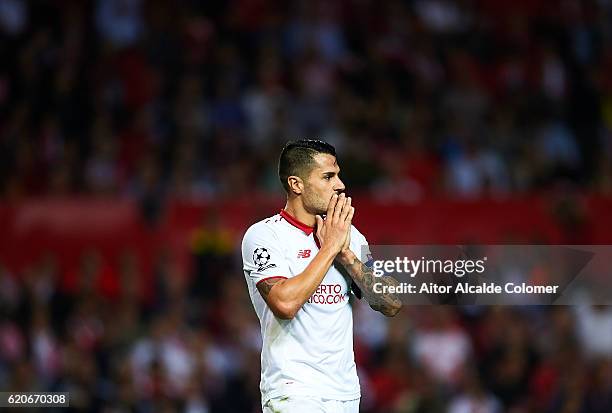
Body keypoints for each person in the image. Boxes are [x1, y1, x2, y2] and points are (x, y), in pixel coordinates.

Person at [241, 139, 402, 412]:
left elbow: (391, 302)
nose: (339, 185)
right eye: (328, 177)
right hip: (293, 391)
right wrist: (329, 248)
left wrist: (347, 255)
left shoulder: (347, 236)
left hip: (345, 393)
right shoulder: (265, 236)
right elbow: (285, 304)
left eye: (338, 175)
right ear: (296, 185)